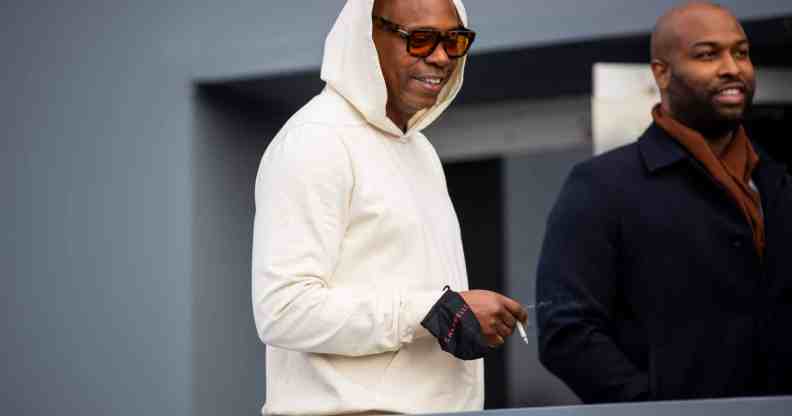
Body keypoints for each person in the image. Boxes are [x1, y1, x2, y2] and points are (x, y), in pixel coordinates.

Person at [252, 0, 526, 414]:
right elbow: (284, 310)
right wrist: (433, 311)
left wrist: (449, 315)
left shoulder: (419, 149)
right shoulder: (316, 139)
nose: (441, 58)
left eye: (454, 41)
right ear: (365, 38)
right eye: (420, 39)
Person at [536, 1, 792, 404]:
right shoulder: (602, 186)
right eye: (707, 55)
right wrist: (652, 406)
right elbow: (566, 333)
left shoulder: (777, 183)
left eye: (741, 53)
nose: (732, 68)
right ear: (661, 72)